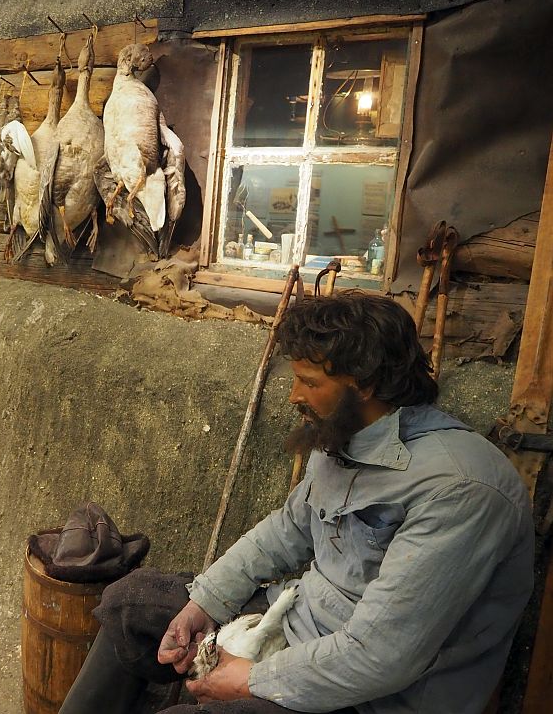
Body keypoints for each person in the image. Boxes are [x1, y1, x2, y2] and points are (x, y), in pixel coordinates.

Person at [60, 292, 534, 714]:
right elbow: (287, 530)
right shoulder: (346, 437)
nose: (293, 396)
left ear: (364, 383)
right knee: (133, 601)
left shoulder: (460, 489)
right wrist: (203, 603)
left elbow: (380, 655)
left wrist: (249, 679)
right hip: (302, 622)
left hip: (375, 693)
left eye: (309, 382)